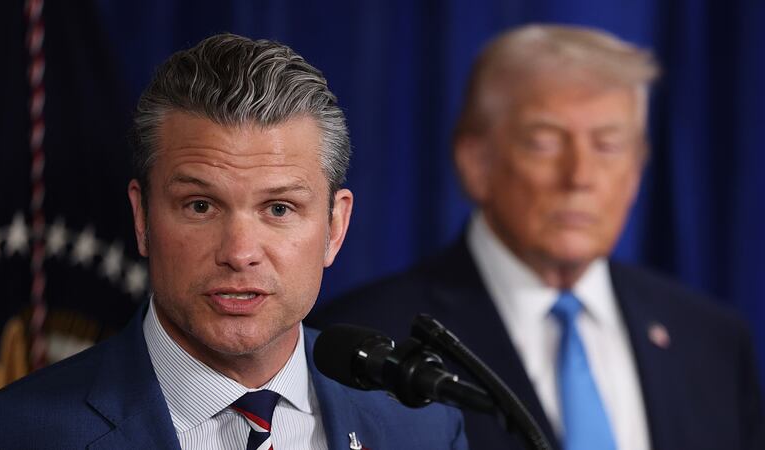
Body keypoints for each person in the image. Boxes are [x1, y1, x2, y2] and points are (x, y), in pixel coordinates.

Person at [0, 34, 467, 450]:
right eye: (200, 206)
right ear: (142, 218)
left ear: (335, 227)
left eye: (279, 209)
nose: (239, 253)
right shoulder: (4, 435)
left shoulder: (423, 428)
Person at [309, 24, 764, 450]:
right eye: (545, 143)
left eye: (608, 145)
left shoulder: (711, 341)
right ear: (476, 162)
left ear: (637, 171)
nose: (580, 176)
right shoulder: (366, 342)